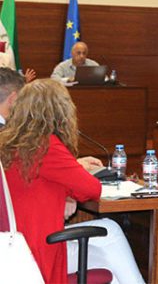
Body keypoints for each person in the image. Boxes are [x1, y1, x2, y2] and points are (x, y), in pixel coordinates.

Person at [0, 79, 142, 284]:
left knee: (110, 231)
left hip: (15, 246)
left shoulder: (9, 142)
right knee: (111, 256)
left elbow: (37, 182)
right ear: (60, 112)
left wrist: (67, 187)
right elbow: (92, 189)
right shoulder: (45, 144)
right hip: (36, 254)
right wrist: (75, 178)